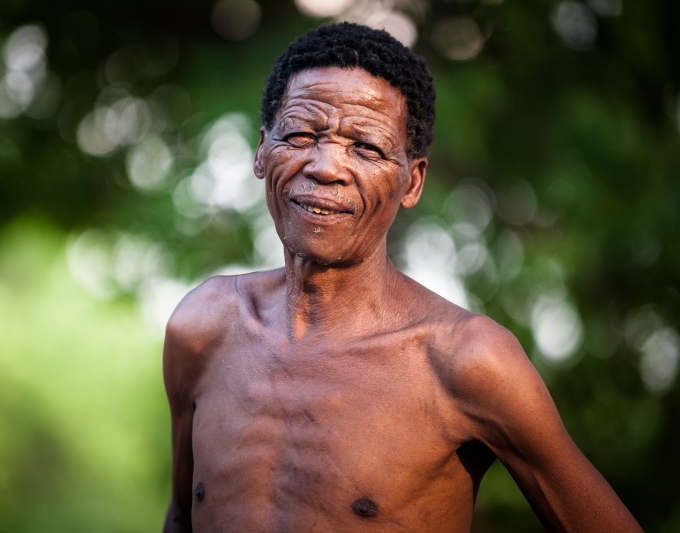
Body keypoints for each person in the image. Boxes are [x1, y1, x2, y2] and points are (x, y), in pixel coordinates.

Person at [162, 22, 642, 532]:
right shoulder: (203, 329)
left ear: (411, 182)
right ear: (262, 151)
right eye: (301, 134)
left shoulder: (465, 363)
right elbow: (181, 519)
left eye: (366, 148)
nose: (325, 167)